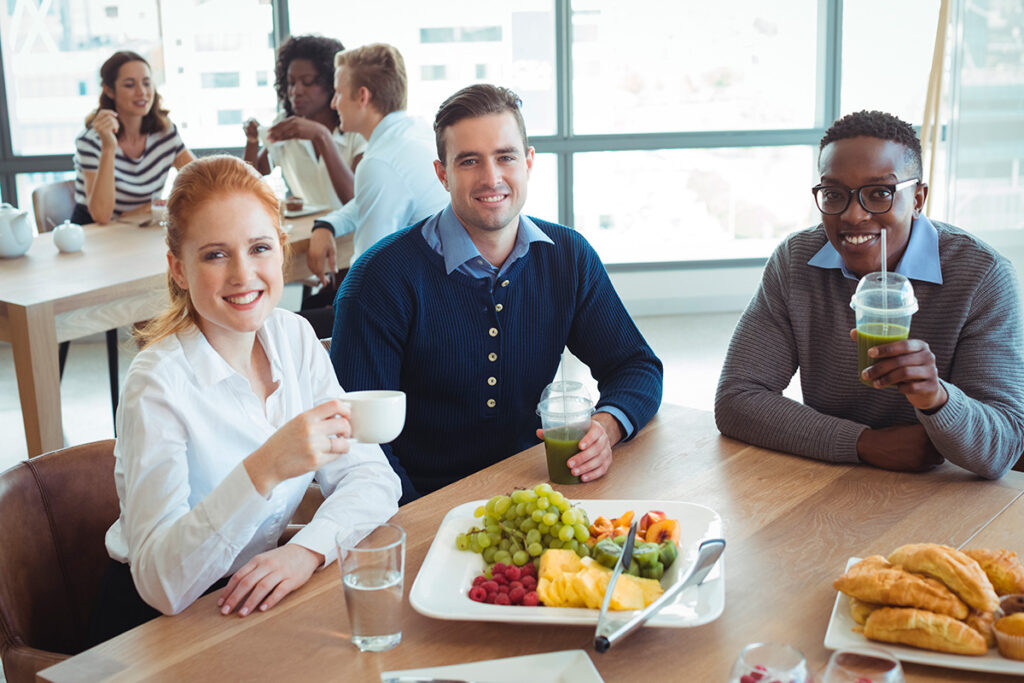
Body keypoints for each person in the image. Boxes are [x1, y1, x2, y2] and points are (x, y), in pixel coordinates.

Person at [90, 155, 400, 643]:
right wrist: (264, 468)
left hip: (258, 594)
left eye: (259, 248)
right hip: (158, 628)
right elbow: (161, 586)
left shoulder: (295, 338)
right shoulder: (156, 383)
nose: (243, 274)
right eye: (215, 255)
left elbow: (373, 477)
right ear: (179, 269)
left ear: (281, 250)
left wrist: (306, 551)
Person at [330, 84, 663, 504]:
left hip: (536, 493)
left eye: (506, 157)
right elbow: (359, 441)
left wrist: (607, 426)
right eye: (469, 161)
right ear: (442, 174)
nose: (491, 178)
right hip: (422, 501)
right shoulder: (379, 279)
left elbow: (636, 365)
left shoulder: (568, 256)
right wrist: (421, 520)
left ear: (528, 162)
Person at [714, 110, 1024, 479]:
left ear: (918, 198)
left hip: (943, 489)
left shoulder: (982, 276)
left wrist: (935, 398)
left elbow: (1003, 446)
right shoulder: (795, 260)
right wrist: (864, 443)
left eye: (880, 194)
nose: (854, 215)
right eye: (834, 194)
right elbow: (737, 398)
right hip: (834, 479)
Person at [306, 42, 448, 284]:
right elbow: (371, 199)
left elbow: (367, 272)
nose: (333, 104)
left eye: (338, 93)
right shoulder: (416, 131)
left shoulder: (380, 163)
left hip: (423, 295)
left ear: (363, 96)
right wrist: (328, 224)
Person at [242, 34, 366, 210]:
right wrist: (252, 140)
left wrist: (322, 136)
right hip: (307, 226)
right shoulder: (286, 124)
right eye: (291, 82)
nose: (296, 91)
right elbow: (250, 179)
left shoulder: (355, 129)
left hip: (349, 228)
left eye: (307, 82)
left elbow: (355, 201)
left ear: (331, 84)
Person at [73, 50, 194, 225]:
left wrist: (146, 209)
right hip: (95, 231)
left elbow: (199, 180)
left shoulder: (165, 133)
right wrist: (108, 147)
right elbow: (101, 216)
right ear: (109, 90)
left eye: (147, 83)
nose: (142, 92)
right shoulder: (91, 141)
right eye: (129, 85)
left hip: (141, 227)